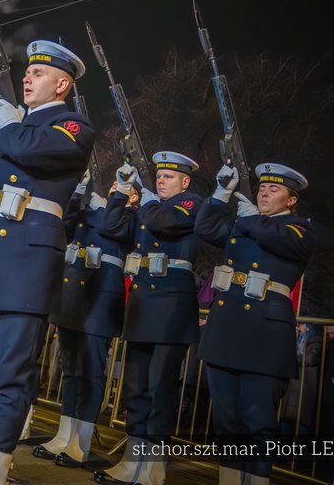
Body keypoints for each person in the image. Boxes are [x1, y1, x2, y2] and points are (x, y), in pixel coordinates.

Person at [0, 41, 94, 485]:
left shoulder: (73, 126)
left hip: (26, 262)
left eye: (38, 73)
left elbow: (32, 149)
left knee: (10, 373)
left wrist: (6, 118)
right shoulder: (12, 124)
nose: (27, 77)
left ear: (62, 85)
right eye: (27, 72)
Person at [195, 163, 314, 485]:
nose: (264, 193)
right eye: (262, 188)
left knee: (257, 422)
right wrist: (221, 193)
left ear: (291, 200)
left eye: (274, 189)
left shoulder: (299, 229)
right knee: (227, 420)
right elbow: (205, 228)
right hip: (226, 328)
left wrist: (249, 219)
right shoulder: (245, 223)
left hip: (264, 334)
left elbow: (278, 239)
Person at [94, 151, 204, 485]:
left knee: (160, 388)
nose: (161, 180)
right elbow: (111, 227)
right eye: (158, 176)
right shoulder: (149, 207)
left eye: (169, 176)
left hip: (172, 306)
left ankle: (154, 464)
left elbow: (163, 223)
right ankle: (133, 459)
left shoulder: (191, 204)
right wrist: (120, 193)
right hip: (143, 305)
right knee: (135, 386)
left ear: (185, 182)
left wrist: (147, 200)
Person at [35, 177, 137, 468]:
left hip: (101, 297)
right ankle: (64, 434)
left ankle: (81, 441)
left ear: (133, 197)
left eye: (125, 187)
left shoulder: (130, 217)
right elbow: (65, 225)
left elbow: (112, 228)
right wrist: (77, 194)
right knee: (70, 369)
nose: (116, 187)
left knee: (91, 370)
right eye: (115, 184)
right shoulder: (91, 209)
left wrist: (113, 203)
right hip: (74, 294)